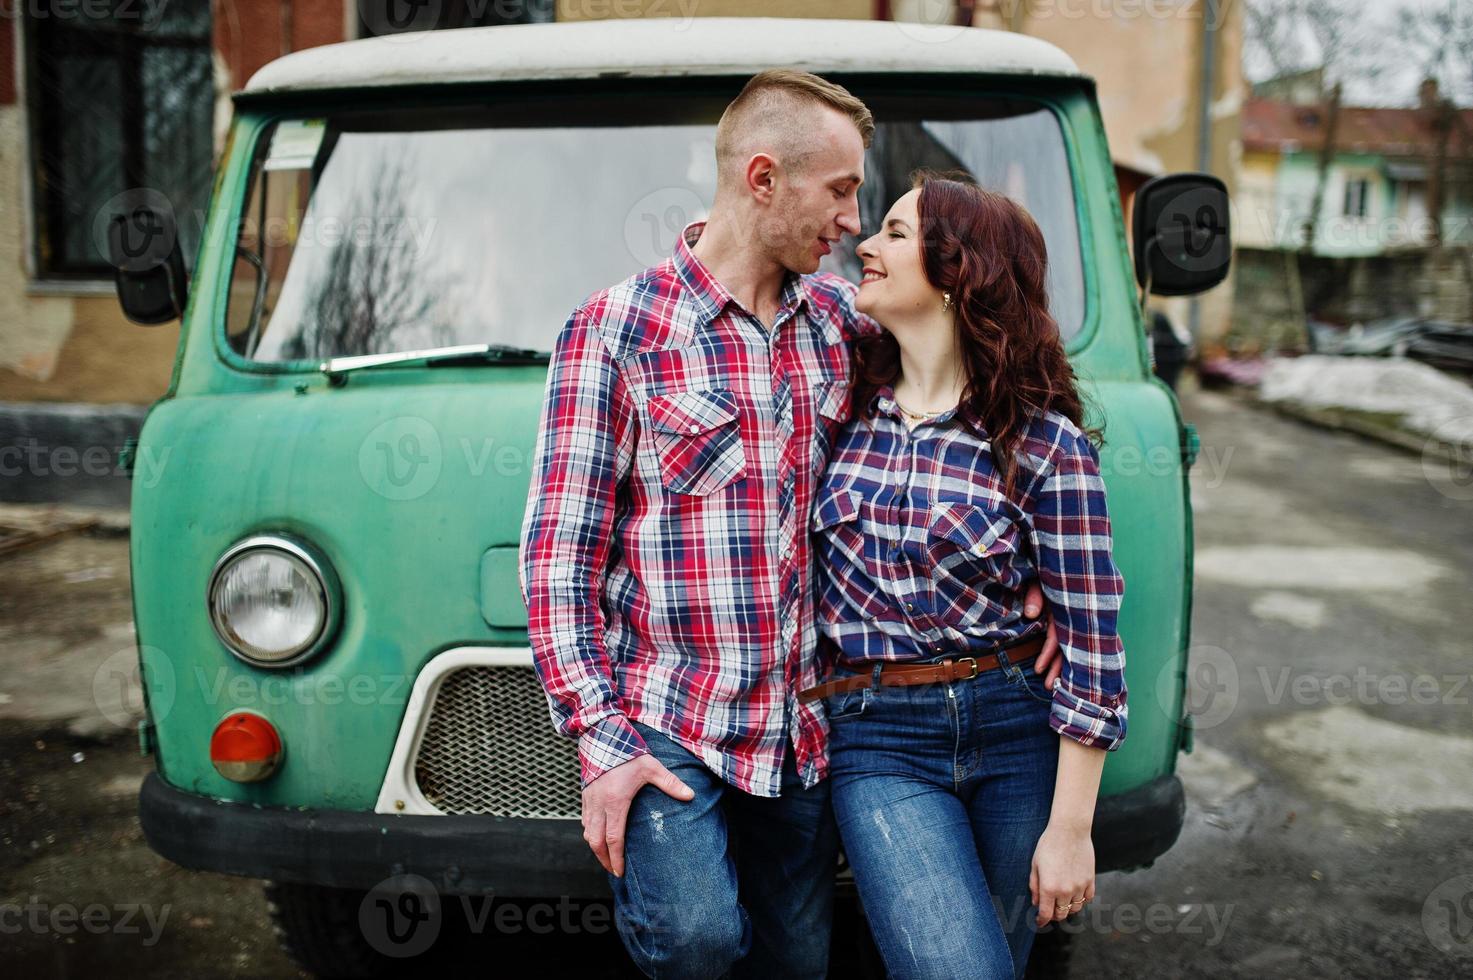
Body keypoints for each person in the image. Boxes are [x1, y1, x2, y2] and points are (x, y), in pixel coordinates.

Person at [520, 72, 1060, 979]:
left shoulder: (846, 328)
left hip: (807, 728)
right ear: (763, 178)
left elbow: (980, 401)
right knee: (697, 940)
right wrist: (604, 744)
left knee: (796, 962)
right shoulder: (616, 331)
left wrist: (1034, 558)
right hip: (670, 719)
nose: (853, 221)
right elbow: (558, 563)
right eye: (842, 190)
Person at [801, 173, 1127, 980]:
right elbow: (742, 260)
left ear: (958, 273)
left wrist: (1071, 830)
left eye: (896, 234)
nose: (865, 246)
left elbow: (1092, 648)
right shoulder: (833, 408)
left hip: (1017, 728)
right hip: (878, 733)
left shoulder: (1045, 446)